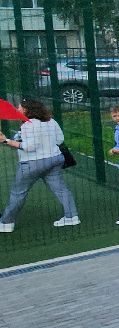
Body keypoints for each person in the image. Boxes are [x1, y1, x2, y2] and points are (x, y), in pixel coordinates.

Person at [0, 99, 79, 231]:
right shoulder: (51, 121)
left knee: (18, 193)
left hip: (32, 163)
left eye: (19, 107)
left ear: (27, 110)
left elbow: (29, 147)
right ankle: (72, 216)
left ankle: (6, 223)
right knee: (61, 189)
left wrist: (5, 141)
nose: (17, 110)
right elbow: (60, 139)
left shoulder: (27, 125)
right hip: (55, 159)